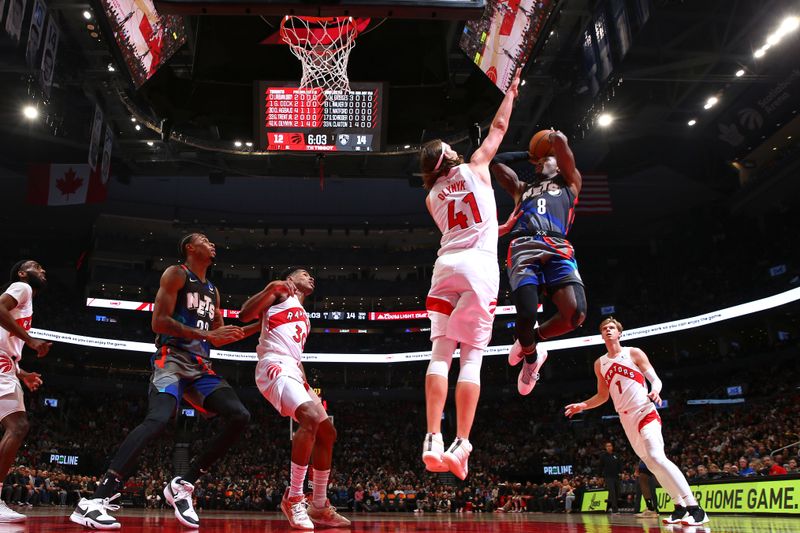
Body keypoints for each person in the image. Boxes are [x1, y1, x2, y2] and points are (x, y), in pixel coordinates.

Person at [71, 233, 253, 529]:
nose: (212, 243)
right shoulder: (176, 274)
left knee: (240, 415)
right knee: (157, 419)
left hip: (200, 367)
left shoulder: (212, 290)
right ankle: (95, 499)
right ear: (189, 248)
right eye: (205, 240)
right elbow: (158, 321)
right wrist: (207, 335)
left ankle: (184, 483)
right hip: (171, 359)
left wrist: (266, 323)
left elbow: (220, 335)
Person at [417, 70, 521, 480]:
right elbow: (499, 126)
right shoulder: (477, 165)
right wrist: (510, 92)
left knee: (441, 354)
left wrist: (496, 227)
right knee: (472, 358)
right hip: (479, 267)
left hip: (446, 268)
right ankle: (461, 444)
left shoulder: (429, 198)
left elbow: (459, 226)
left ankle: (432, 438)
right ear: (450, 157)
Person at [565, 317, 710, 526]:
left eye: (612, 327)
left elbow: (656, 379)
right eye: (604, 328)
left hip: (645, 411)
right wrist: (583, 405)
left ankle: (695, 509)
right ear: (601, 334)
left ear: (619, 333)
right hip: (626, 418)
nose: (608, 330)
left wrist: (655, 391)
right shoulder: (600, 363)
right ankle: (678, 507)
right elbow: (603, 396)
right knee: (652, 464)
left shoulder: (633, 352)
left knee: (656, 456)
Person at [239, 268, 350, 530]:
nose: (311, 277)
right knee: (310, 418)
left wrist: (304, 381)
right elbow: (244, 314)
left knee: (327, 433)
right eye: (304, 273)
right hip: (273, 364)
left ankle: (320, 506)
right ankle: (294, 498)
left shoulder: (305, 317)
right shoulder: (279, 291)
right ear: (290, 279)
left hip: (294, 370)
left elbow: (295, 354)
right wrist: (273, 288)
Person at [490, 130, 587, 395]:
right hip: (523, 246)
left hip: (558, 245)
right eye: (541, 160)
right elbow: (497, 161)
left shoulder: (570, 182)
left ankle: (532, 341)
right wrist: (530, 154)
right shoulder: (522, 188)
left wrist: (558, 142)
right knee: (526, 314)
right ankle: (531, 362)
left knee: (576, 314)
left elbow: (565, 153)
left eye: (549, 159)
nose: (544, 162)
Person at [0, 260, 52, 522]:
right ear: (22, 273)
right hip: (1, 364)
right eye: (36, 266)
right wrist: (31, 341)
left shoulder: (25, 299)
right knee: (18, 426)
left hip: (8, 365)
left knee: (18, 427)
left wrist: (21, 372)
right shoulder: (22, 287)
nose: (42, 270)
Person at [599, 442, 621, 514]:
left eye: (610, 446)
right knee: (612, 492)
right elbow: (600, 467)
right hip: (608, 477)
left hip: (616, 476)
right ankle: (615, 510)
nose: (609, 447)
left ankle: (609, 502)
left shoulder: (616, 455)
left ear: (612, 447)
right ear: (605, 448)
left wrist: (622, 472)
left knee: (617, 492)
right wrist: (600, 477)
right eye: (607, 446)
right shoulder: (603, 456)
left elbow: (620, 465)